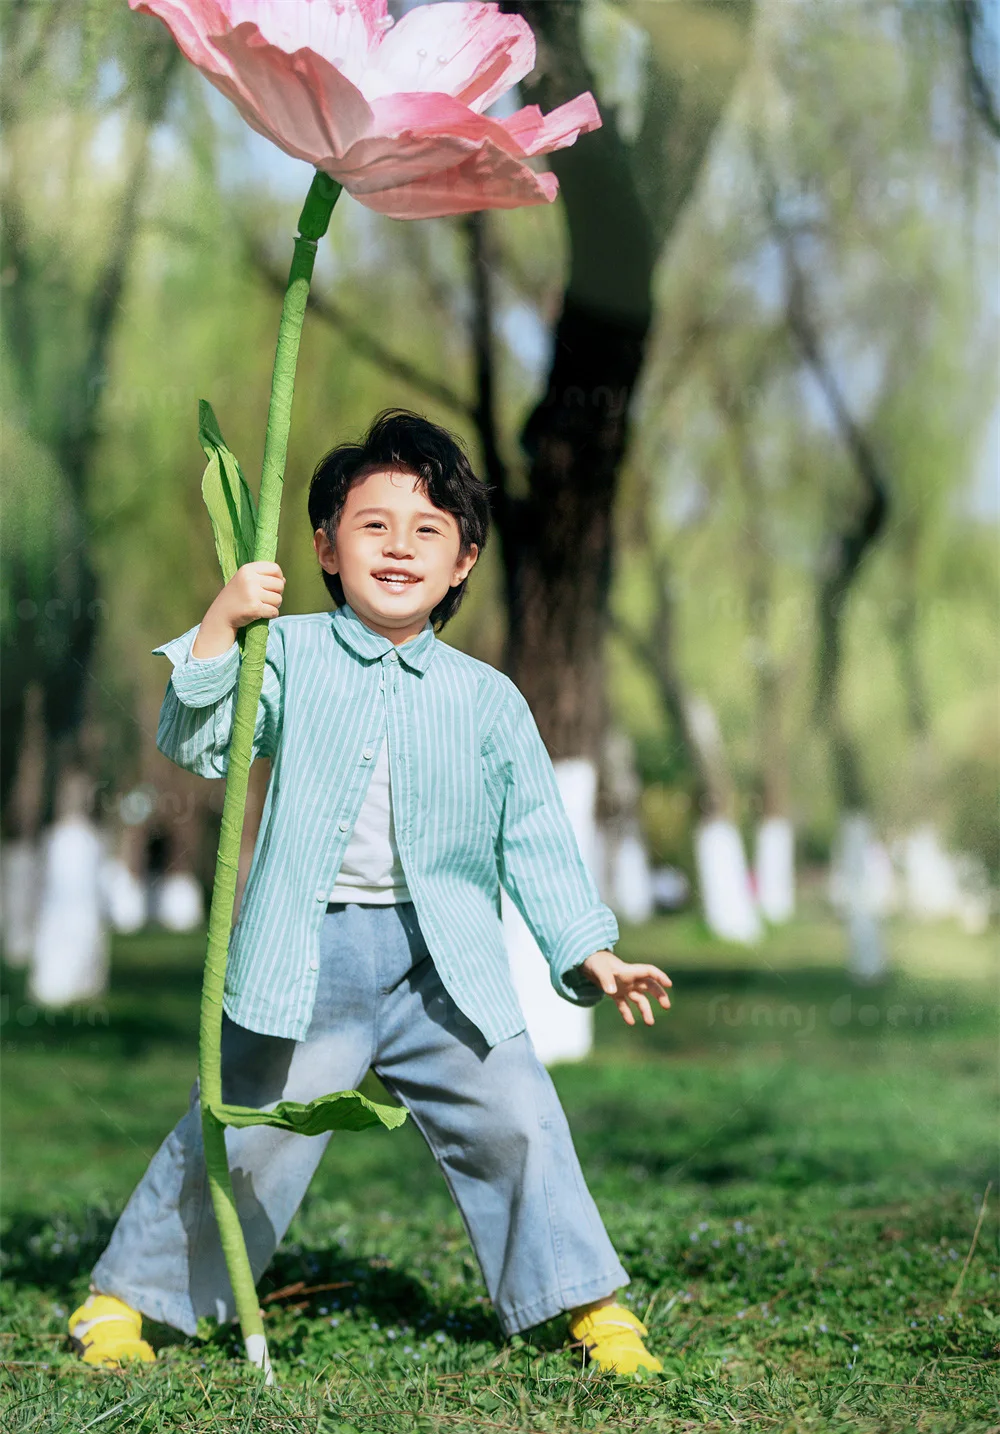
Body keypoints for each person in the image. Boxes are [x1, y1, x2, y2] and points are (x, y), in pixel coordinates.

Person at [69, 410, 672, 1377]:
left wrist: (586, 948)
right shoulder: (287, 653)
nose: (400, 547)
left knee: (518, 1116)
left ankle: (590, 1308)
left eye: (429, 529)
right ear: (325, 545)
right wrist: (223, 626)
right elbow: (198, 743)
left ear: (465, 560)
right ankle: (124, 1299)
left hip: (445, 967)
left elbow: (537, 840)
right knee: (247, 1127)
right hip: (304, 961)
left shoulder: (487, 698)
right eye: (373, 525)